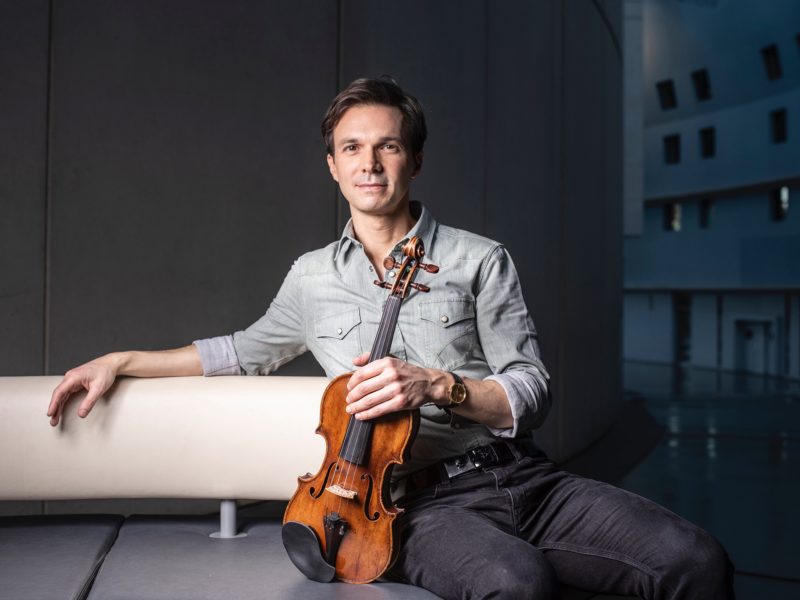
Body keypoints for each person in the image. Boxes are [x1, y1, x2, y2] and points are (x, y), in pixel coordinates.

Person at [48, 77, 734, 600]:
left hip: (524, 476)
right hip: (415, 504)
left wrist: (439, 385)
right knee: (514, 582)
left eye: (388, 146)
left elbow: (532, 388)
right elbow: (238, 353)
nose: (369, 162)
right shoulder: (312, 277)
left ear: (415, 159)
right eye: (352, 147)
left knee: (696, 560)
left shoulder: (478, 258)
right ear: (332, 165)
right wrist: (121, 360)